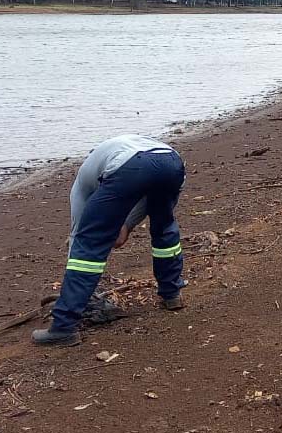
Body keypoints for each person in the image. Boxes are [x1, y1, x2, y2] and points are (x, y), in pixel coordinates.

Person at [33, 135, 187, 346]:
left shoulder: (81, 185)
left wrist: (124, 227)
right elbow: (149, 197)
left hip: (131, 166)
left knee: (89, 244)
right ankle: (172, 294)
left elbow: (80, 235)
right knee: (164, 228)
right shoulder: (116, 150)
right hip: (172, 162)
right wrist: (125, 226)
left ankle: (63, 326)